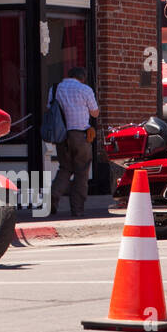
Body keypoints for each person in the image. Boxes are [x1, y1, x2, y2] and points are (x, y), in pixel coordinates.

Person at [49, 66, 99, 219]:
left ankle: (51, 200)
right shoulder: (85, 89)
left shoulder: (55, 88)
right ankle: (77, 210)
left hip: (62, 136)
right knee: (81, 172)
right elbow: (95, 113)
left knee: (64, 169)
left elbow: (49, 109)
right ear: (82, 78)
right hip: (81, 135)